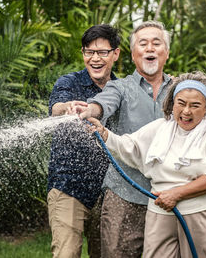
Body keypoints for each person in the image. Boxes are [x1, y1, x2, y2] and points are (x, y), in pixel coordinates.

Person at [73, 20, 206, 257]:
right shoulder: (120, 87)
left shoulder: (183, 88)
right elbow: (103, 105)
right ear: (132, 53)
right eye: (143, 43)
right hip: (126, 194)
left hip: (181, 202)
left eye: (156, 43)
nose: (149, 48)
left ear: (166, 53)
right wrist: (92, 112)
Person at [47, 24, 121, 258]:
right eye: (89, 52)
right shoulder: (69, 83)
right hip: (69, 189)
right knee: (66, 253)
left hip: (109, 193)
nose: (95, 59)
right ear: (83, 53)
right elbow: (56, 108)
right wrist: (66, 108)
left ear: (115, 54)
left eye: (102, 52)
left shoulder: (122, 89)